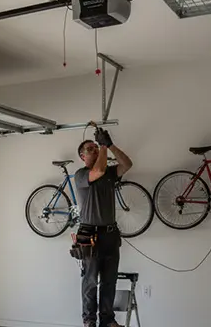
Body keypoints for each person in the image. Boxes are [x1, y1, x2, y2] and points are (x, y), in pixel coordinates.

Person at [73, 125, 133, 327]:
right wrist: (102, 145)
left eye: (96, 148)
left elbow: (127, 163)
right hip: (89, 235)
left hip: (110, 234)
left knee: (109, 281)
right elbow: (97, 169)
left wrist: (110, 145)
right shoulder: (81, 175)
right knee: (90, 282)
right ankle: (89, 321)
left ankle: (107, 321)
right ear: (82, 157)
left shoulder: (110, 174)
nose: (96, 150)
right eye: (90, 149)